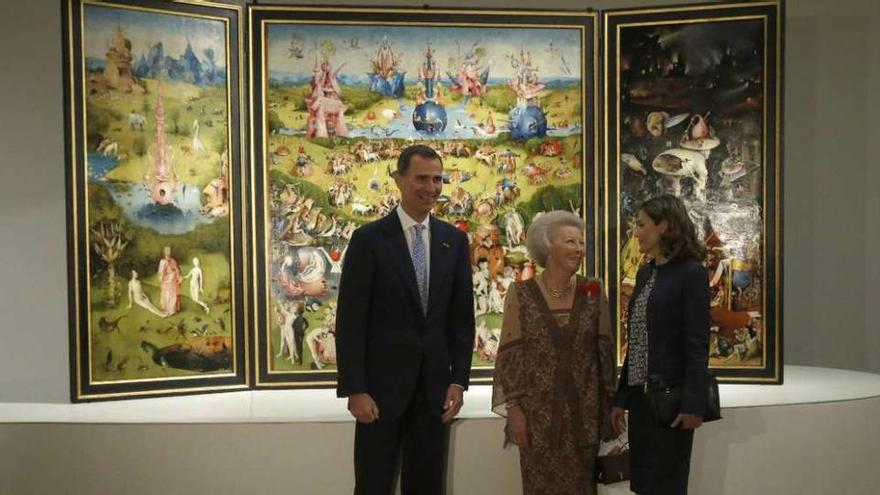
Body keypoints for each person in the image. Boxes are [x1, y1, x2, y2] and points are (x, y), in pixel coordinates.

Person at [336, 144, 475, 494]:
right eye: (421, 178)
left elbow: (461, 321)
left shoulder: (454, 241)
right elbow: (351, 321)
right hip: (379, 396)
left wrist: (458, 382)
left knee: (428, 486)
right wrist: (355, 389)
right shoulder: (368, 240)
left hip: (434, 396)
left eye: (438, 179)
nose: (431, 187)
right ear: (399, 179)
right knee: (373, 485)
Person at [492, 210, 617, 495]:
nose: (579, 249)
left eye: (581, 243)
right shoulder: (520, 293)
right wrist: (514, 410)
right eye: (570, 242)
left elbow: (605, 355)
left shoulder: (593, 290)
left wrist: (610, 405)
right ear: (547, 246)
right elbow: (511, 356)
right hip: (537, 421)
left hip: (584, 418)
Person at [610, 194, 711, 495]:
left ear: (664, 226)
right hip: (642, 404)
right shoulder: (645, 273)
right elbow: (638, 341)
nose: (636, 232)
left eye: (641, 225)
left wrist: (694, 405)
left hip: (672, 403)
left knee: (667, 487)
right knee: (643, 486)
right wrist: (621, 398)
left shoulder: (691, 273)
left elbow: (697, 344)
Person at [158, 246, 181, 316]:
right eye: (167, 251)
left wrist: (178, 276)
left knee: (174, 295)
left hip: (173, 281)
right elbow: (161, 273)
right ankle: (168, 310)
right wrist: (163, 279)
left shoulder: (173, 260)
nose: (168, 252)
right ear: (164, 252)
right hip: (167, 281)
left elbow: (177, 269)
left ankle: (174, 309)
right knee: (168, 295)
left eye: (169, 250)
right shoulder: (163, 261)